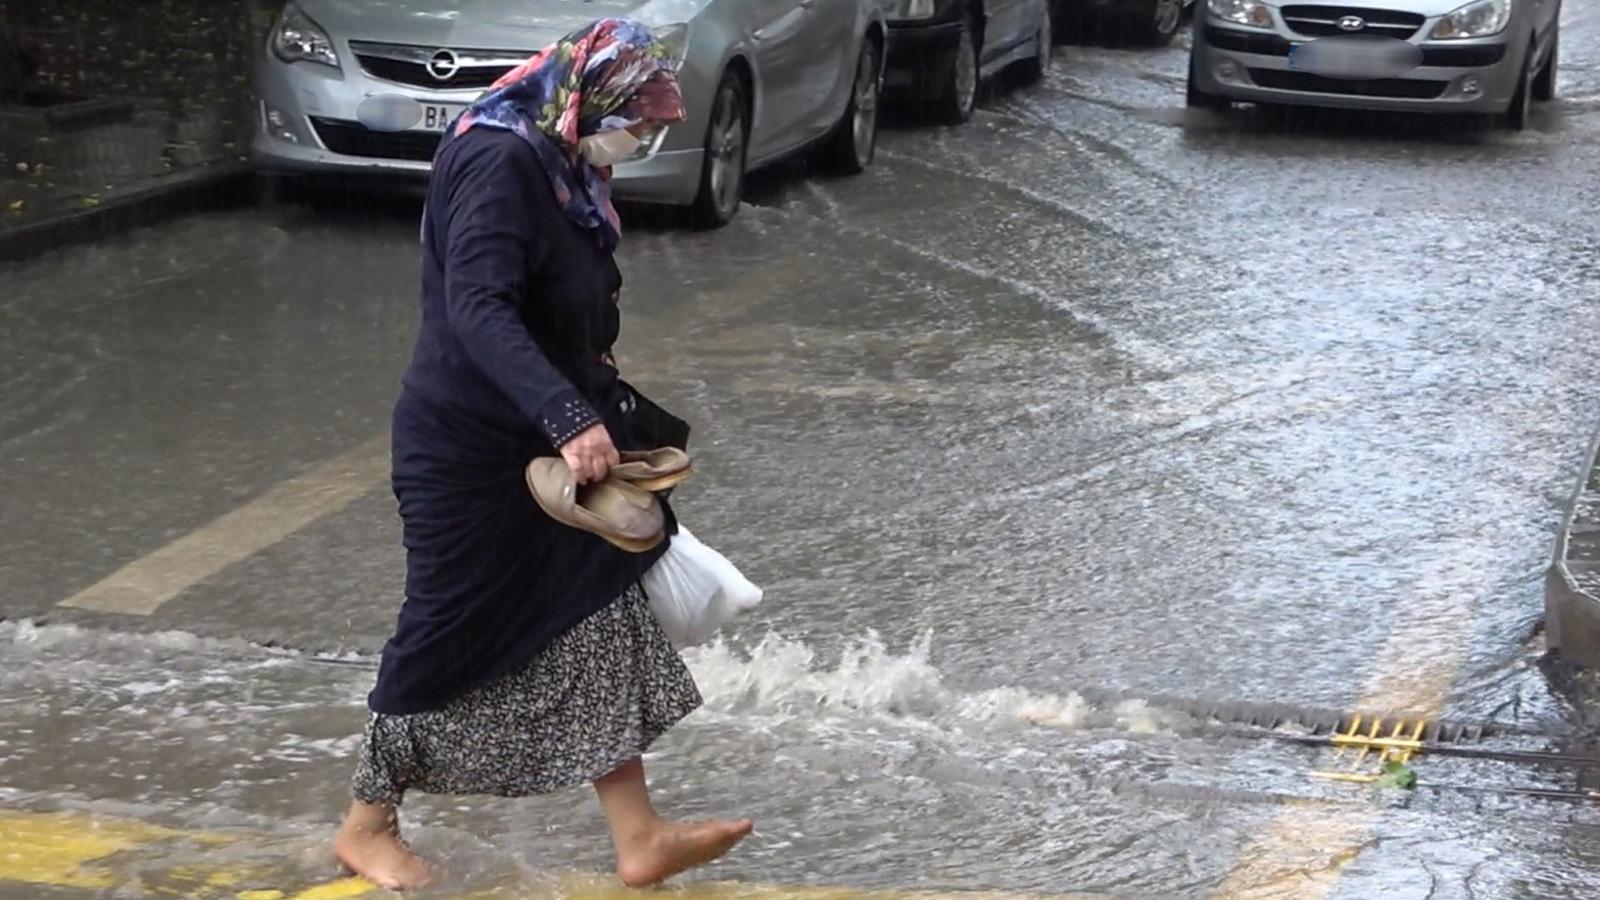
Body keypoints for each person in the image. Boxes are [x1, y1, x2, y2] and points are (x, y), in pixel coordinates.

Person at [332, 19, 752, 891]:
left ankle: (640, 838)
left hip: (545, 448)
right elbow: (479, 307)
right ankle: (366, 826)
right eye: (634, 118)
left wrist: (595, 413)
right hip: (469, 452)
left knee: (597, 610)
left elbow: (565, 305)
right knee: (442, 634)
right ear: (585, 93)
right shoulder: (503, 162)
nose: (639, 138)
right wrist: (567, 416)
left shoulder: (562, 163)